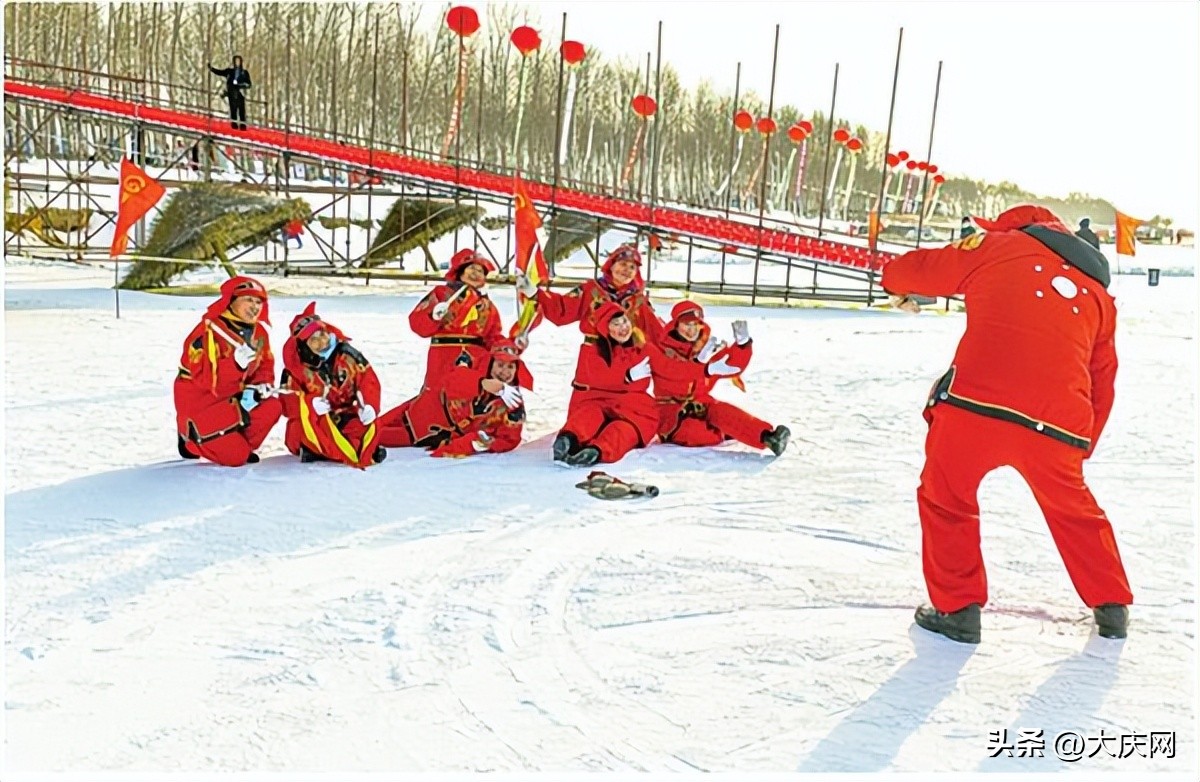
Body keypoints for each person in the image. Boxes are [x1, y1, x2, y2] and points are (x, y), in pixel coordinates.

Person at [881, 204, 1132, 644]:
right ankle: (1112, 606)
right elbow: (1103, 378)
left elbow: (920, 269)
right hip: (1058, 426)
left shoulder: (998, 247)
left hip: (975, 406)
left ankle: (957, 609)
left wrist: (894, 282)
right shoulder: (1098, 295)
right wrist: (1080, 446)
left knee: (947, 498)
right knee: (1075, 512)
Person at [650, 301, 790, 455]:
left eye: (695, 325)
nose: (692, 330)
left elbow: (731, 365)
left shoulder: (707, 348)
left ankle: (768, 437)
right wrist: (701, 366)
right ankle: (723, 432)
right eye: (686, 324)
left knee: (725, 412)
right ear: (676, 325)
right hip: (672, 413)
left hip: (701, 402)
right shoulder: (662, 351)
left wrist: (742, 345)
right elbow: (674, 375)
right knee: (696, 434)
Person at [174, 276, 281, 466]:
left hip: (237, 397)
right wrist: (234, 365)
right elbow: (206, 381)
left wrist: (260, 385)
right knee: (236, 458)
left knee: (273, 406)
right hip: (204, 400)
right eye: (248, 299)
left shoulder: (259, 333)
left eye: (258, 301)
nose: (255, 307)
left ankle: (235, 443)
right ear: (231, 301)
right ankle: (191, 440)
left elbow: (265, 365)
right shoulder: (206, 333)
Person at [376, 339, 531, 457]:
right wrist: (482, 383)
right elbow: (452, 381)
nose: (505, 371)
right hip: (420, 405)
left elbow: (509, 439)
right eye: (500, 365)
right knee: (370, 425)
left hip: (428, 431)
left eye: (510, 366)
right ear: (490, 364)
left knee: (374, 437)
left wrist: (480, 443)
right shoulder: (473, 365)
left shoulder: (513, 403)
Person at [279, 303, 385, 468]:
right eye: (313, 339)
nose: (321, 341)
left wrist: (370, 405)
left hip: (346, 415)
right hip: (313, 420)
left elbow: (368, 381)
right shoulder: (295, 369)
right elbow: (287, 405)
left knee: (366, 427)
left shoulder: (349, 356)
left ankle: (343, 450)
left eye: (322, 334)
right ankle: (342, 450)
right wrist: (310, 403)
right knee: (297, 435)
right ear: (303, 346)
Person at [553, 302, 658, 467]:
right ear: (605, 329)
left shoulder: (644, 348)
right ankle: (568, 439)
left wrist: (705, 367)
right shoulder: (592, 349)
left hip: (631, 407)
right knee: (589, 416)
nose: (623, 327)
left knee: (623, 429)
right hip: (595, 399)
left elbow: (670, 369)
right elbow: (599, 376)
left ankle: (597, 451)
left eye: (624, 321)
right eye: (615, 324)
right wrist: (627, 377)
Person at [516, 243, 666, 349]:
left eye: (632, 267)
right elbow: (562, 308)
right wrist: (535, 293)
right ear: (611, 265)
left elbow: (657, 331)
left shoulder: (638, 300)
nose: (626, 270)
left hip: (627, 357)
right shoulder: (591, 289)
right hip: (594, 354)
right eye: (623, 264)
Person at [408, 248, 505, 392]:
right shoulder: (442, 294)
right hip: (443, 358)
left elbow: (493, 337)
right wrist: (432, 316)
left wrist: (507, 349)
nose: (476, 273)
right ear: (460, 271)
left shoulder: (487, 306)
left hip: (475, 362)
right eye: (472, 268)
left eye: (480, 271)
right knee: (438, 400)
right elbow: (417, 324)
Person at [208, 55, 252, 130]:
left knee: (241, 110)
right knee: (233, 110)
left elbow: (249, 84)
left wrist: (239, 85)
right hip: (231, 94)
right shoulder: (229, 72)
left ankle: (242, 126)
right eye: (236, 61)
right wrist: (211, 69)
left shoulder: (244, 73)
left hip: (240, 94)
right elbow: (220, 72)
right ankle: (234, 125)